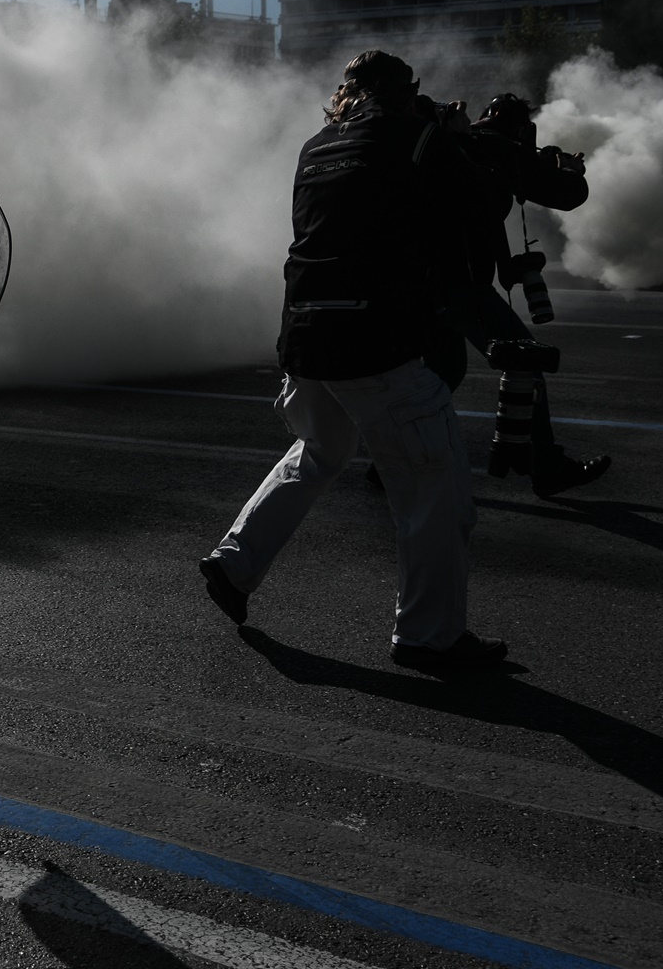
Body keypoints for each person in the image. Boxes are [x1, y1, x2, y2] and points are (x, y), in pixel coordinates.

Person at [197, 50, 507, 672]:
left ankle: (235, 562)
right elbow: (483, 206)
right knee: (433, 488)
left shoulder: (315, 146)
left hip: (308, 339)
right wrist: (457, 140)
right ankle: (430, 637)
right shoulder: (418, 137)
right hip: (377, 343)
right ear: (406, 92)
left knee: (318, 453)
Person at [428, 93, 610, 497]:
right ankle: (546, 466)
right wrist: (571, 170)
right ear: (521, 127)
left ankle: (390, 463)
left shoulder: (459, 143)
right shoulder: (502, 149)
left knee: (443, 374)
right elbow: (567, 195)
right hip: (463, 283)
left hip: (428, 281)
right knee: (526, 359)